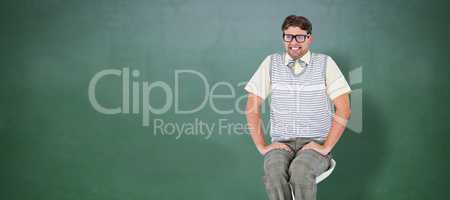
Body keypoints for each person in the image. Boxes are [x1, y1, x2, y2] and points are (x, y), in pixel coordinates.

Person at [245, 15, 352, 200]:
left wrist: (325, 147)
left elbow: (344, 109)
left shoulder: (325, 63)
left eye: (300, 36)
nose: (294, 42)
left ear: (309, 38)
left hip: (315, 144)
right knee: (273, 172)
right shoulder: (271, 63)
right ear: (283, 38)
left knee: (300, 171)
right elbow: (251, 108)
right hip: (282, 144)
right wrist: (262, 146)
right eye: (288, 36)